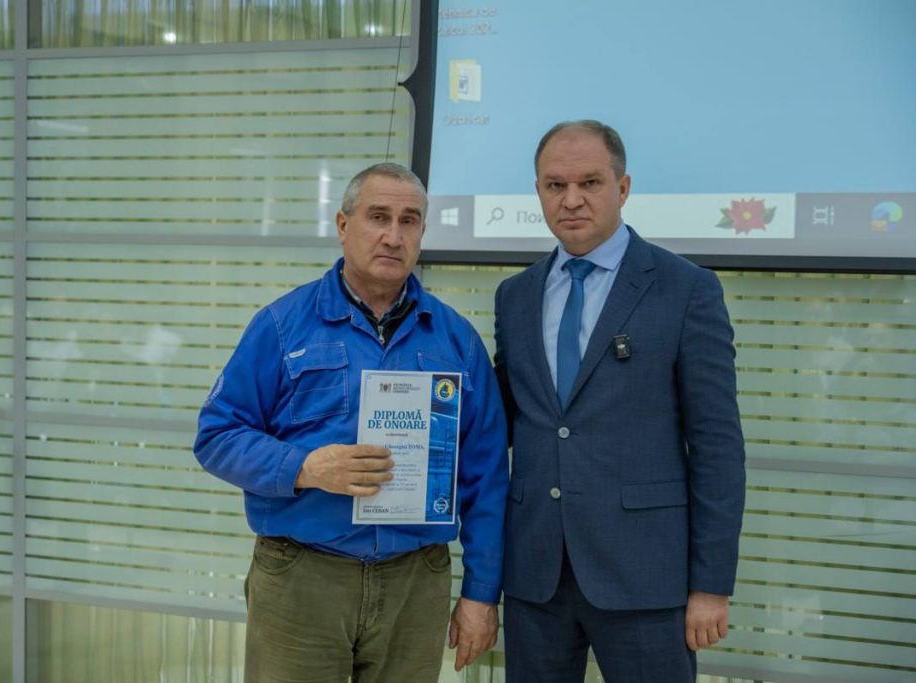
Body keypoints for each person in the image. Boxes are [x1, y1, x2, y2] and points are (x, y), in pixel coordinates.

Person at [194, 162, 508, 682]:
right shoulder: (281, 326)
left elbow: (487, 475)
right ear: (344, 226)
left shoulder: (457, 341)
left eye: (409, 221)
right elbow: (217, 435)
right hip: (303, 578)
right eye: (378, 217)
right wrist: (305, 467)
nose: (393, 236)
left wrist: (480, 592)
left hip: (415, 582)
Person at [493, 120, 746, 681]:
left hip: (646, 580)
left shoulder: (686, 290)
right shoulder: (515, 296)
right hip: (536, 576)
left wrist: (711, 585)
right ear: (538, 191)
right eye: (555, 185)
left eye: (590, 182)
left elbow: (717, 447)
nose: (572, 200)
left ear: (623, 188)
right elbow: (504, 421)